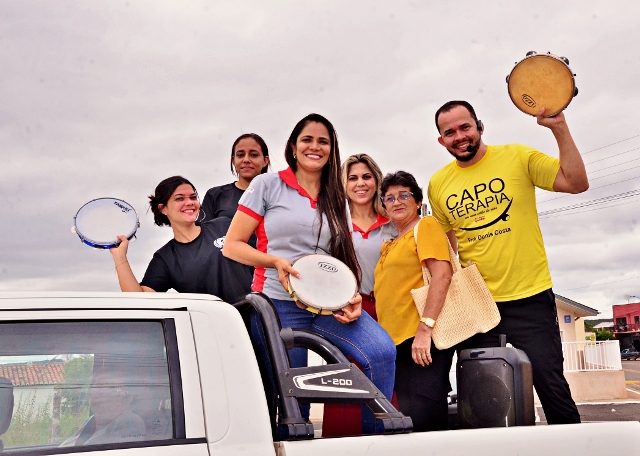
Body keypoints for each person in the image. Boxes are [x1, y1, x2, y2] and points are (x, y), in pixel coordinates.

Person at [222, 114, 396, 433]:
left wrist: (352, 295)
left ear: (332, 149)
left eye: (323, 141)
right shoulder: (267, 185)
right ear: (293, 146)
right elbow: (232, 246)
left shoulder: (337, 196)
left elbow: (342, 257)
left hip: (329, 305)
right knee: (295, 402)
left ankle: (374, 442)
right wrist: (275, 262)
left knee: (381, 352)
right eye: (307, 139)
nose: (315, 147)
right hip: (278, 303)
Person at [427, 100, 588, 425]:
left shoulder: (518, 156)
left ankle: (574, 445)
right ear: (441, 141)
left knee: (552, 389)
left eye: (465, 127)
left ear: (480, 127)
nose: (459, 136)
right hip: (480, 307)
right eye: (450, 132)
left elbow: (576, 183)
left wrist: (559, 127)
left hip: (530, 298)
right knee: (484, 399)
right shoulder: (438, 184)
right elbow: (448, 250)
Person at [373, 171, 454, 432]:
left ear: (418, 201)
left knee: (426, 418)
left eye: (404, 195)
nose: (396, 201)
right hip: (398, 343)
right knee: (410, 420)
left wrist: (425, 329)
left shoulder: (425, 227)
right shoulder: (392, 242)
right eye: (389, 198)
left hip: (421, 339)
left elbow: (442, 275)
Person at [322, 153, 395, 437]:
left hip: (390, 309)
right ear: (343, 184)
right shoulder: (333, 223)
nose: (360, 183)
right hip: (349, 312)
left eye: (366, 177)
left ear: (377, 181)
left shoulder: (392, 222)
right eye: (352, 178)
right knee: (348, 381)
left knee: (387, 379)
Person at [109, 176, 252, 304]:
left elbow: (260, 254)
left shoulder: (224, 225)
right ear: (163, 208)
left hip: (257, 315)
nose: (189, 202)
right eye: (179, 198)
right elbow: (139, 300)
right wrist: (119, 257)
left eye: (193, 197)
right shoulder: (166, 258)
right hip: (217, 323)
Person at [60, 370, 146, 447]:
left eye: (112, 389)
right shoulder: (92, 421)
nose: (102, 396)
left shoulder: (131, 422)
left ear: (127, 399)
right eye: (98, 387)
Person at [201, 133, 270, 221]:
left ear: (265, 161)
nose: (246, 160)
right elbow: (202, 229)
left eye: (253, 155)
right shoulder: (214, 195)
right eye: (240, 155)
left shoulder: (276, 196)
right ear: (233, 160)